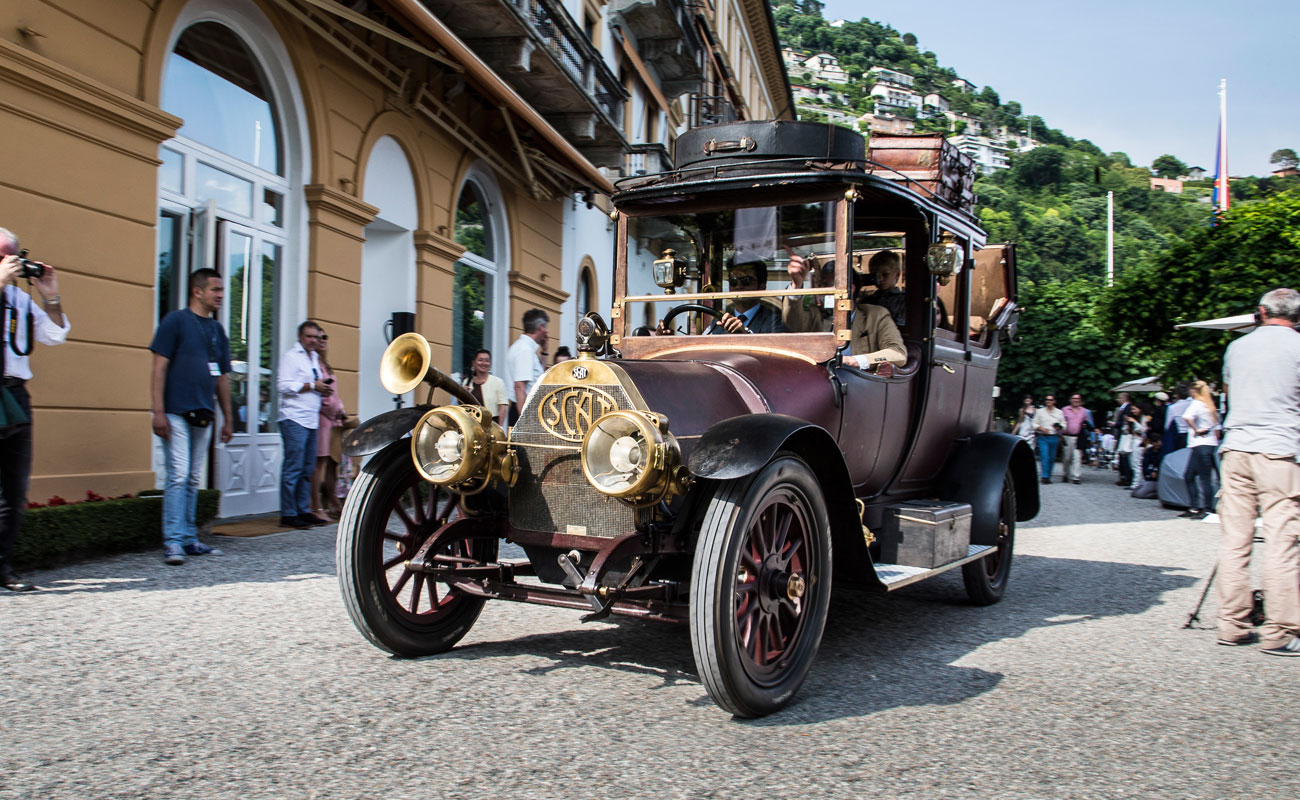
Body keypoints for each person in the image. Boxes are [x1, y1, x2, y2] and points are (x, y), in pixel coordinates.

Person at [1215, 288, 1300, 655]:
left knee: (1235, 540)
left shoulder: (1237, 347)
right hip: (1279, 449)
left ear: (1260, 313)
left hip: (1236, 447)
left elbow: (1229, 392)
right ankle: (1279, 632)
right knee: (1282, 540)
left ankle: (1231, 624)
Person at [0, 228, 70, 591]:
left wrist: (51, 296)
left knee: (14, 491)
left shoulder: (19, 299)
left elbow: (55, 335)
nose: (10, 264)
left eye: (12, 257)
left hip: (15, 395)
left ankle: (3, 568)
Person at [149, 268, 233, 566]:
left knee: (194, 477)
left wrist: (228, 418)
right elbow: (159, 368)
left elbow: (221, 377)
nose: (221, 295)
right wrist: (158, 411)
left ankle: (188, 538)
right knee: (179, 474)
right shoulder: (175, 321)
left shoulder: (217, 330)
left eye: (222, 289)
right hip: (175, 411)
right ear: (197, 291)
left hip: (203, 413)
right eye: (215, 289)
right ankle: (173, 541)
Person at [782, 252, 904, 370]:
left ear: (850, 289)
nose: (823, 291)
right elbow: (792, 323)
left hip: (857, 380)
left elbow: (898, 353)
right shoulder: (816, 314)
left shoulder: (875, 316)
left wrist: (855, 361)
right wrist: (797, 284)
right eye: (822, 286)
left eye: (829, 286)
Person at [277, 321, 331, 529]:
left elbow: (314, 384)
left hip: (311, 418)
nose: (313, 340)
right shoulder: (291, 357)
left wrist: (322, 389)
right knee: (293, 467)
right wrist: (311, 386)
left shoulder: (315, 358)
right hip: (294, 417)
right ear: (300, 337)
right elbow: (282, 385)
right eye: (309, 336)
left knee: (307, 467)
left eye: (316, 337)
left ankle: (303, 510)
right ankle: (288, 513)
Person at [311, 329, 347, 520]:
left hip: (334, 419)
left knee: (333, 462)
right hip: (323, 418)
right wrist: (335, 409)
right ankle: (316, 506)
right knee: (319, 462)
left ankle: (332, 501)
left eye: (325, 337)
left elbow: (333, 393)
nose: (322, 340)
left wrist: (340, 408)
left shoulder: (325, 364)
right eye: (318, 337)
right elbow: (322, 396)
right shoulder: (314, 364)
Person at [707, 258, 790, 334]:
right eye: (733, 281)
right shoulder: (719, 321)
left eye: (746, 280)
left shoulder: (774, 321)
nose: (738, 286)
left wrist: (745, 334)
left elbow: (778, 344)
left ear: (762, 287)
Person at [1179, 379, 1220, 520]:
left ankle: (1204, 508)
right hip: (1210, 444)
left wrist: (1196, 430)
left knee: (1200, 478)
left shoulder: (1196, 404)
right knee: (1194, 476)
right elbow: (1217, 428)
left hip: (1199, 444)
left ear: (1193, 391)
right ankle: (1197, 507)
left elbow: (1186, 417)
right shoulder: (1210, 406)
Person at [507, 308, 548, 425]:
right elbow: (519, 387)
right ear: (540, 327)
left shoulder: (524, 348)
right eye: (545, 327)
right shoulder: (524, 350)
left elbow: (539, 378)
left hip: (524, 409)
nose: (547, 332)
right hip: (524, 410)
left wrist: (544, 351)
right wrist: (525, 423)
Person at [459, 348, 509, 424]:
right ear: (474, 363)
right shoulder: (467, 382)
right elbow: (462, 406)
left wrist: (500, 426)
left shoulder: (498, 382)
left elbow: (503, 406)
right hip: (471, 423)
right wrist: (462, 394)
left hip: (491, 423)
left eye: (487, 360)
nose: (484, 363)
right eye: (480, 360)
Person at [862, 250, 905, 327]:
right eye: (875, 275)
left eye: (885, 274)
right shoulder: (868, 301)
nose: (880, 279)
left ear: (897, 275)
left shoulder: (902, 301)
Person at [1060, 393, 1094, 484]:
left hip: (1079, 437)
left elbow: (1089, 424)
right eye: (1074, 398)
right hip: (1067, 436)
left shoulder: (1084, 411)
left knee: (1077, 457)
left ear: (1080, 400)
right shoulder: (1064, 410)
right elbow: (1060, 422)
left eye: (1078, 399)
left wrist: (1086, 427)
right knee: (1067, 458)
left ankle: (1076, 477)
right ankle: (1065, 474)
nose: (1076, 400)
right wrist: (1060, 435)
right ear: (1070, 400)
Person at [1031, 394, 1065, 484]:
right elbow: (1034, 423)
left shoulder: (1059, 412)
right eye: (1047, 399)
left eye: (1051, 400)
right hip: (1043, 437)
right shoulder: (1040, 411)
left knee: (1052, 458)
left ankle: (1048, 476)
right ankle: (1044, 476)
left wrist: (1059, 427)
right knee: (1044, 456)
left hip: (1054, 437)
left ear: (1054, 401)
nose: (1048, 401)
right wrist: (1041, 428)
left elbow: (1064, 425)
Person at [1115, 404, 1144, 488]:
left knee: (1135, 463)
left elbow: (1142, 430)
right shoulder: (1135, 419)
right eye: (1132, 410)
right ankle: (1136, 482)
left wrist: (1134, 422)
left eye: (1134, 409)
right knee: (1132, 463)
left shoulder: (1142, 418)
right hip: (1133, 441)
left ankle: (1136, 484)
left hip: (1138, 442)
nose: (1133, 411)